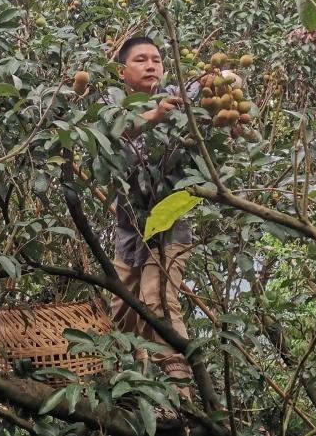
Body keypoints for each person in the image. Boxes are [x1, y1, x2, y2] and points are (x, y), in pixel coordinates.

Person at [109, 36, 200, 400]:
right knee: (120, 312)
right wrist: (155, 115)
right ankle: (130, 391)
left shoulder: (178, 93)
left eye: (157, 60)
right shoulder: (111, 106)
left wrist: (223, 79)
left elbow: (216, 82)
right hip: (129, 230)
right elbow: (109, 136)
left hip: (169, 226)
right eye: (141, 60)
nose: (151, 65)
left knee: (156, 300)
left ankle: (182, 392)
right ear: (122, 72)